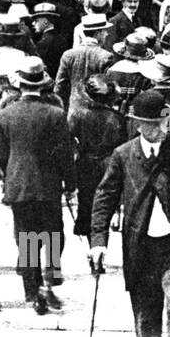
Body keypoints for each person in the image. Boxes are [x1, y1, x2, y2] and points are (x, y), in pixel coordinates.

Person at [89, 89, 170, 337]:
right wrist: (98, 242)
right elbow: (104, 197)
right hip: (140, 245)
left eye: (157, 123)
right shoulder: (123, 155)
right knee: (145, 316)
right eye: (146, 123)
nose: (152, 129)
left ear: (165, 121)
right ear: (136, 123)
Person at [0, 57, 75, 316]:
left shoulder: (5, 114)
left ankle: (32, 292)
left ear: (20, 84)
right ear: (42, 83)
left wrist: (10, 175)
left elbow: (1, 155)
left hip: (18, 184)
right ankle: (50, 279)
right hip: (48, 183)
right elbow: (64, 152)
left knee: (26, 237)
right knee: (54, 234)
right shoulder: (55, 114)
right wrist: (70, 182)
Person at [68, 75, 125, 240]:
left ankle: (91, 249)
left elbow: (68, 140)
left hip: (85, 164)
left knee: (86, 203)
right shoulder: (117, 118)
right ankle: (100, 243)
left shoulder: (78, 115)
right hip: (109, 164)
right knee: (105, 205)